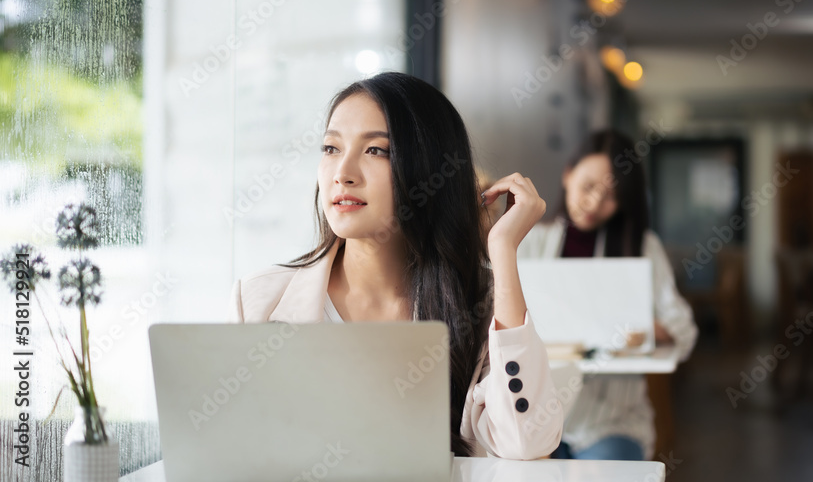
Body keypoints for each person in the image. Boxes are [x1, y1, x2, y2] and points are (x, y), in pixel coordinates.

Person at [229, 72, 563, 459]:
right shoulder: (259, 301)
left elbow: (527, 442)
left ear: (428, 169)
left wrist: (502, 251)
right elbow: (235, 453)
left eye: (375, 151)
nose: (342, 173)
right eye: (331, 148)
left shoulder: (483, 304)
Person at [518, 129, 698, 461]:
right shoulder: (529, 242)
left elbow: (683, 327)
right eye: (587, 187)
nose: (594, 203)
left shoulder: (642, 246)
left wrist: (648, 329)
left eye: (611, 196)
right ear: (567, 175)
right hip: (533, 417)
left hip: (612, 421)